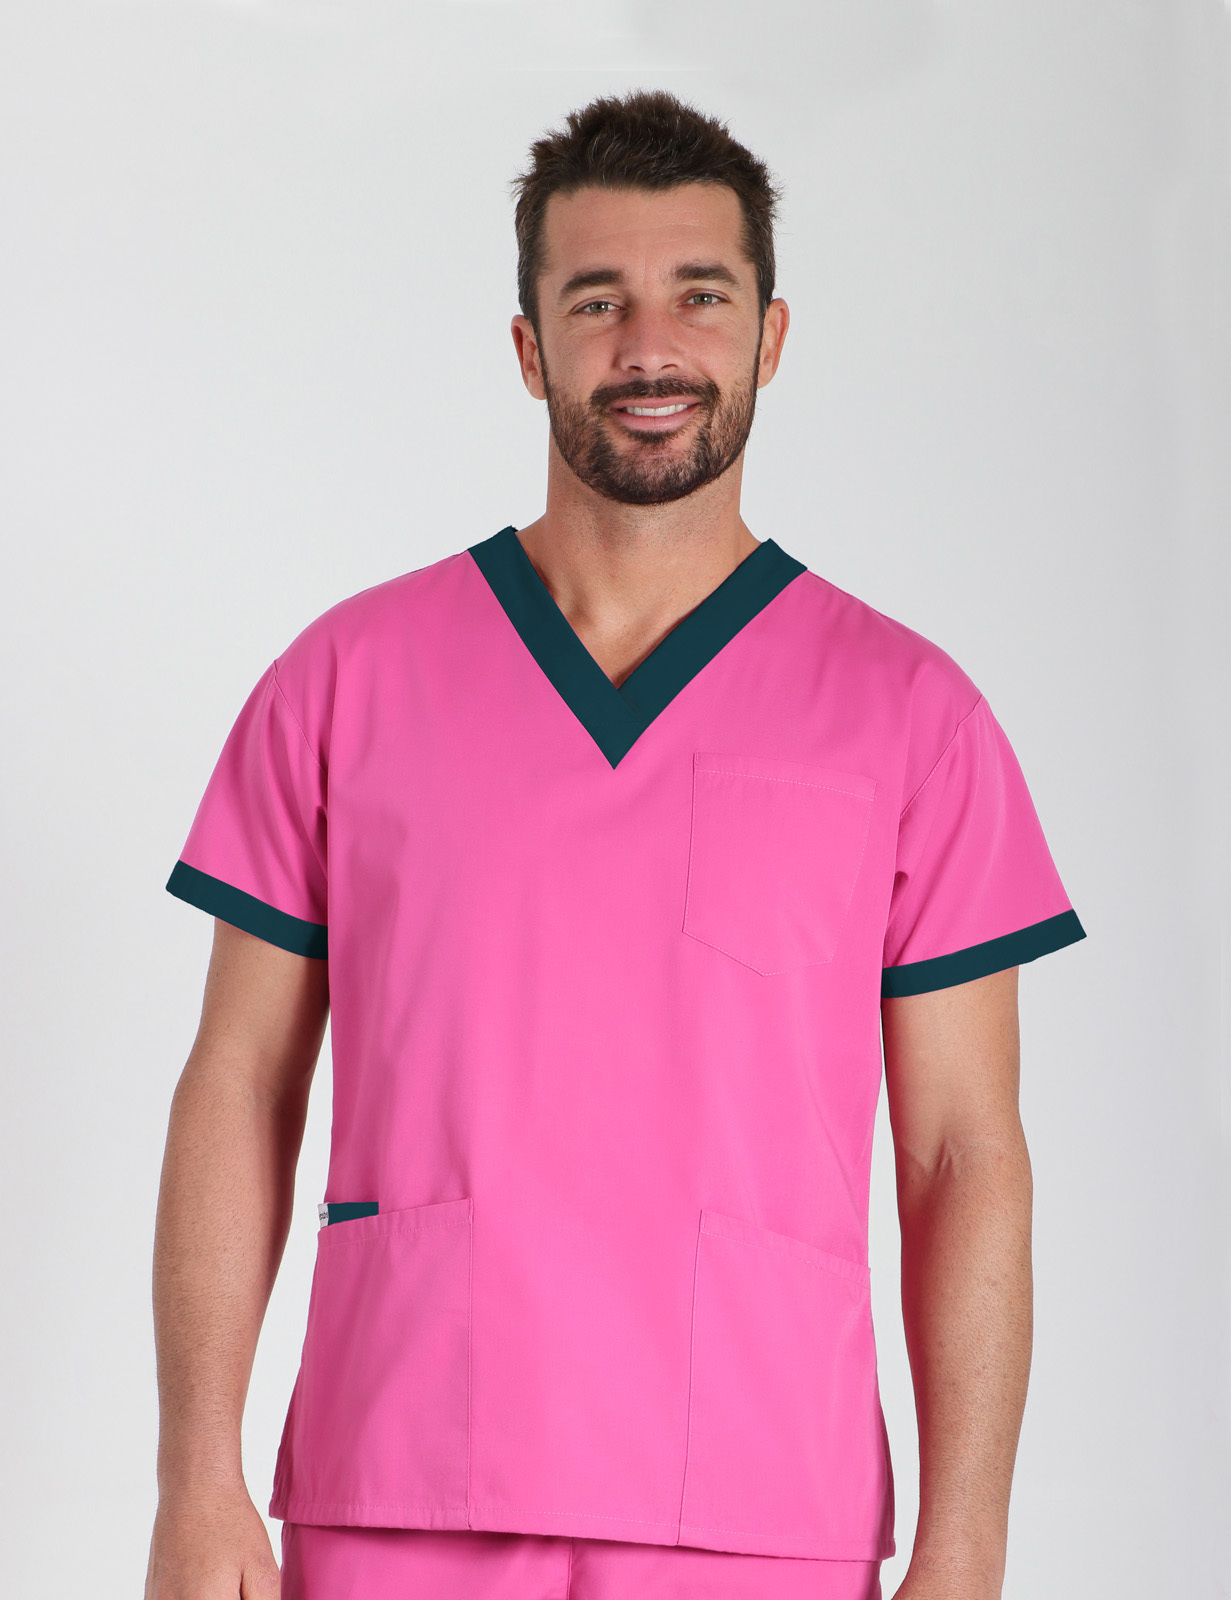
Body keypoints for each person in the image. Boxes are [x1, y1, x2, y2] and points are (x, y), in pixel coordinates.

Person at [144, 89, 1085, 1600]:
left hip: (761, 1503)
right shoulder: (345, 682)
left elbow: (963, 1153)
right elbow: (241, 1080)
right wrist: (196, 1482)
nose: (651, 347)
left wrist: (966, 1544)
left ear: (771, 337)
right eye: (599, 301)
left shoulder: (914, 716)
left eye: (700, 296)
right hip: (405, 1476)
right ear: (529, 350)